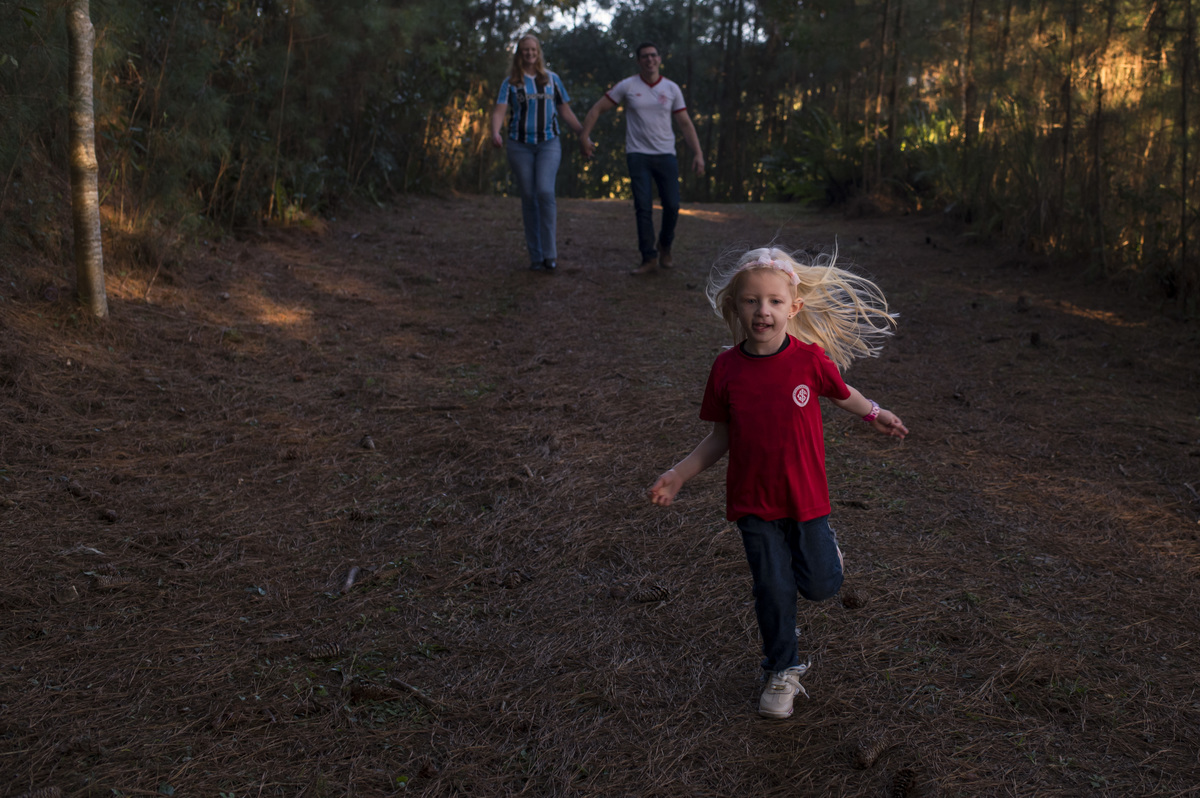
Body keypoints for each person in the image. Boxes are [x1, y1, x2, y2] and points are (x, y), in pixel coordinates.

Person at [646, 246, 909, 720]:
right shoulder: (725, 369)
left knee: (821, 586)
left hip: (806, 498)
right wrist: (678, 475)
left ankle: (828, 555)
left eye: (773, 301)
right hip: (752, 501)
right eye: (751, 301)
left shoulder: (809, 360)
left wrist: (876, 413)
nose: (762, 311)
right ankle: (781, 669)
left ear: (794, 307)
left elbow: (845, 395)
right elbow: (718, 438)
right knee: (772, 587)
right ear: (735, 306)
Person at [579, 42, 704, 275]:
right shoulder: (627, 86)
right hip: (638, 156)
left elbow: (685, 123)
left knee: (673, 206)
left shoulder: (671, 88)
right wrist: (584, 136)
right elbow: (597, 108)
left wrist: (698, 153)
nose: (650, 60)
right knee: (643, 207)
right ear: (639, 61)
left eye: (653, 55)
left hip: (666, 155)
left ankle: (665, 245)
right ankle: (648, 257)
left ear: (659, 59)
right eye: (645, 56)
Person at [491, 34, 584, 273]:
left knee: (545, 191)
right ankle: (536, 256)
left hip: (548, 143)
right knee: (529, 197)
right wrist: (495, 133)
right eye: (525, 50)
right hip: (519, 145)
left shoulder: (551, 79)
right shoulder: (510, 82)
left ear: (538, 52)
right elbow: (500, 111)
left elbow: (565, 111)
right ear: (519, 54)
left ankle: (550, 254)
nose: (530, 54)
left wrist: (583, 134)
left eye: (533, 50)